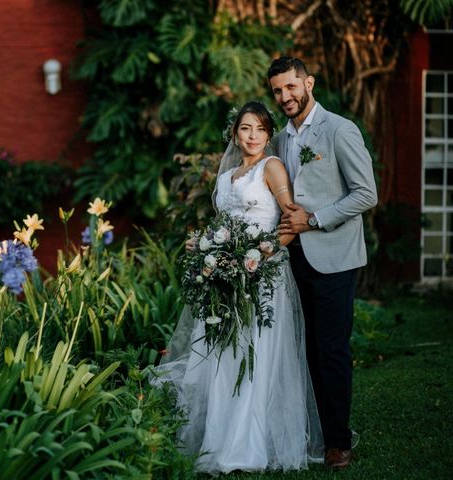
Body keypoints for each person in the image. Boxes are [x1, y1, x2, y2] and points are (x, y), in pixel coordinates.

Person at [152, 101, 324, 474]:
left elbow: (291, 218)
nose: (253, 136)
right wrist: (211, 256)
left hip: (262, 278)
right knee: (222, 355)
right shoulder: (226, 176)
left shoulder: (272, 167)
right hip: (225, 276)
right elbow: (221, 225)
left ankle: (247, 445)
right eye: (246, 129)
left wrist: (261, 256)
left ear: (268, 134)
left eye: (261, 129)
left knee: (254, 355)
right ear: (235, 133)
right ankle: (218, 436)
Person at [268, 56, 378, 470]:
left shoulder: (339, 130)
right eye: (278, 90)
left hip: (333, 255)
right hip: (292, 257)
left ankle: (338, 441)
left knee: (330, 350)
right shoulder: (280, 139)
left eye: (291, 87)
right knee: (304, 349)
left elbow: (366, 194)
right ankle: (312, 429)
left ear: (308, 83)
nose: (285, 96)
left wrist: (313, 220)